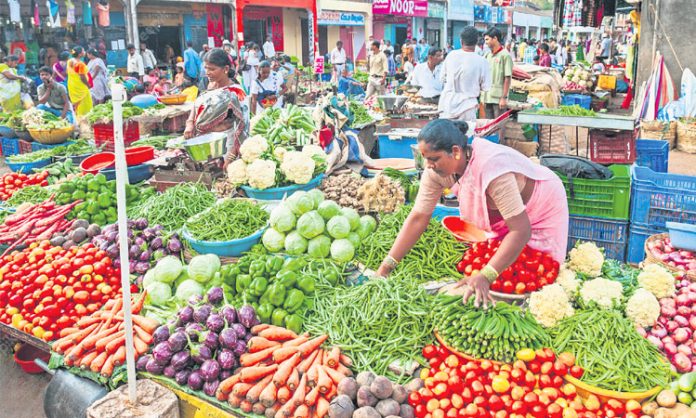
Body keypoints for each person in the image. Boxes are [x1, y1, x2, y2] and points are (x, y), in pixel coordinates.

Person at [375, 119, 568, 307]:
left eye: (434, 159)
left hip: (542, 204)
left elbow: (520, 231)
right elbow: (418, 217)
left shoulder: (491, 168)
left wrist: (486, 275)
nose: (428, 165)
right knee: (506, 266)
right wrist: (387, 266)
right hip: (505, 216)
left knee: (539, 272)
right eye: (425, 158)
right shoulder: (435, 173)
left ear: (456, 152)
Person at [184, 48, 246, 165]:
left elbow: (244, 125)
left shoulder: (236, 91)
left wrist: (231, 155)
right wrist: (190, 123)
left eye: (212, 69)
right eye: (206, 68)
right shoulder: (205, 83)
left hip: (225, 142)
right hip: (203, 141)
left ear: (226, 69)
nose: (207, 72)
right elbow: (196, 103)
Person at [438, 27, 491, 121]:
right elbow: (486, 87)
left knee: (446, 135)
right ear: (476, 42)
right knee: (466, 135)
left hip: (447, 106)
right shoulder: (482, 62)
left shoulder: (451, 56)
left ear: (461, 41)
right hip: (468, 108)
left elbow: (442, 78)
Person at [482, 28, 512, 119]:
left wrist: (504, 97)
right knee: (489, 125)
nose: (485, 42)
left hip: (498, 97)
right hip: (487, 97)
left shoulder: (505, 55)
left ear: (495, 38)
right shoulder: (487, 55)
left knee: (499, 124)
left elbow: (507, 77)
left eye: (487, 39)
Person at [66, 46, 93, 116]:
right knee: (85, 105)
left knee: (76, 104)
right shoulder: (80, 64)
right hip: (81, 87)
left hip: (72, 85)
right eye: (83, 51)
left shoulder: (70, 61)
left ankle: (77, 118)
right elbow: (82, 77)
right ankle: (83, 120)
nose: (85, 52)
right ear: (80, 54)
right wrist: (88, 85)